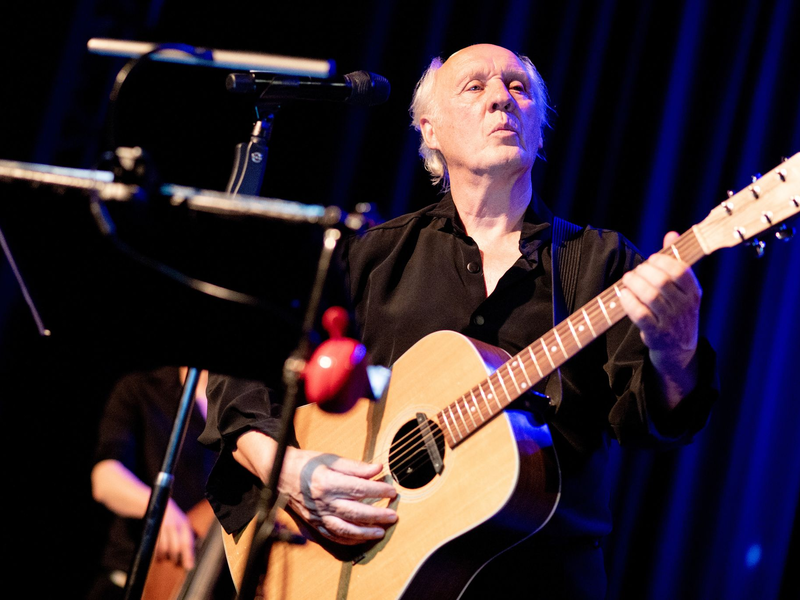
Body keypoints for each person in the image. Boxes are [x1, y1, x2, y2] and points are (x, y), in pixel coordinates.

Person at [199, 44, 718, 598]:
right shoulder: (368, 255)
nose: (501, 98)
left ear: (540, 130)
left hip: (539, 580)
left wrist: (675, 351)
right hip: (361, 571)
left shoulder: (602, 263)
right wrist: (290, 470)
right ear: (430, 131)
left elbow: (654, 425)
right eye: (476, 87)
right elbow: (240, 368)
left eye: (519, 88)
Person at [88, 366, 225, 599]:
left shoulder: (251, 405)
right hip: (129, 583)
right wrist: (159, 509)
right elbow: (105, 478)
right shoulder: (140, 389)